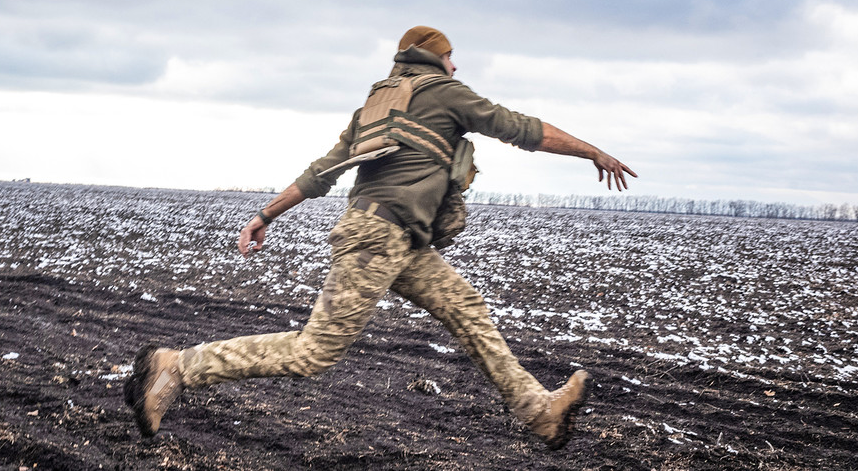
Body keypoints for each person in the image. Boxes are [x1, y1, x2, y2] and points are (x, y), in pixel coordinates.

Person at [123, 26, 637, 449]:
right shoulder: (443, 92)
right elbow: (522, 129)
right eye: (452, 57)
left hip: (402, 240)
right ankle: (176, 367)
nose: (457, 67)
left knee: (466, 308)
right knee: (314, 352)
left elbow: (321, 172)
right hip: (377, 236)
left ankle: (538, 412)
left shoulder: (377, 104)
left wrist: (267, 213)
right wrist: (592, 151)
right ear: (435, 58)